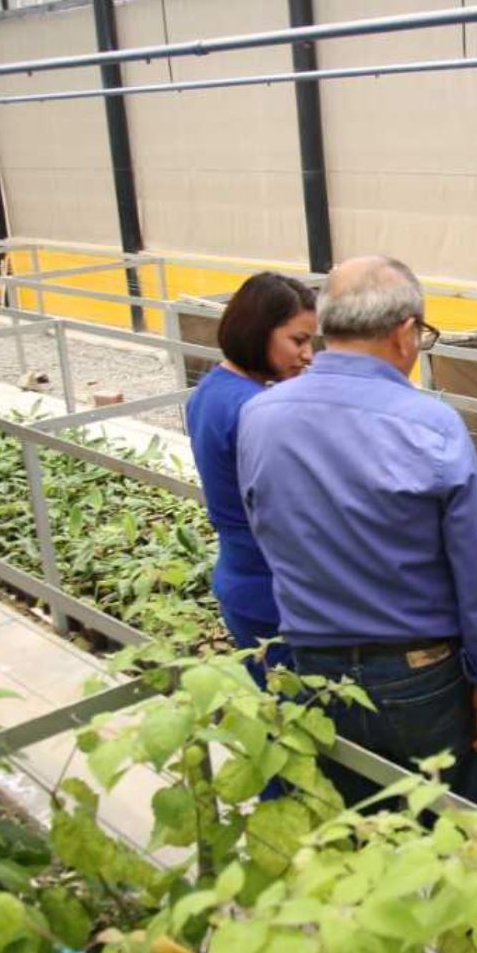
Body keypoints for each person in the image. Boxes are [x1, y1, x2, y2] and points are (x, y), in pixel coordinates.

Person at [237, 256, 477, 812]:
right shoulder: (431, 424)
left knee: (353, 826)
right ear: (406, 333)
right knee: (461, 826)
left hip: (313, 667)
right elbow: (474, 570)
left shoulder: (260, 416)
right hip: (420, 678)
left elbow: (265, 529)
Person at [185, 272, 316, 685]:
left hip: (240, 580)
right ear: (259, 332)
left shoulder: (210, 390)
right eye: (298, 340)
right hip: (277, 593)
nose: (309, 354)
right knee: (309, 723)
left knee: (277, 715)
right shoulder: (259, 411)